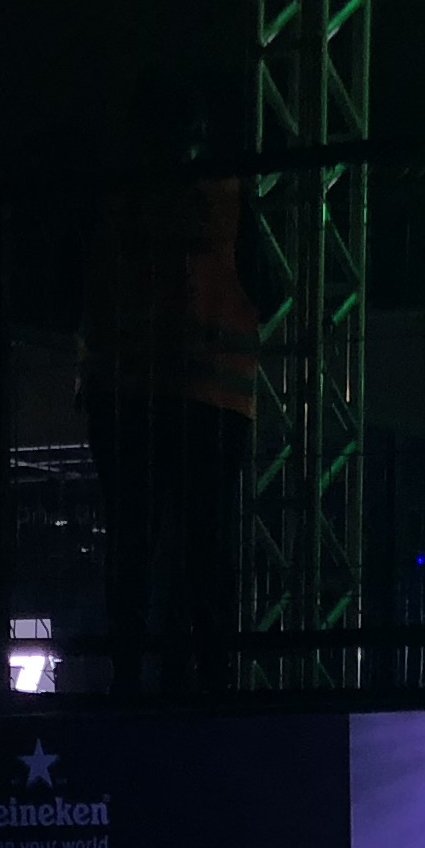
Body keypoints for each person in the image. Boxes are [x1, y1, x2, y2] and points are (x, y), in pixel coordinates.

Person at [81, 73, 262, 695]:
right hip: (210, 398)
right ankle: (207, 673)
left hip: (124, 395)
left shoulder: (112, 202)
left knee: (132, 540)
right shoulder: (226, 197)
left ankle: (131, 673)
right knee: (204, 543)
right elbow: (263, 284)